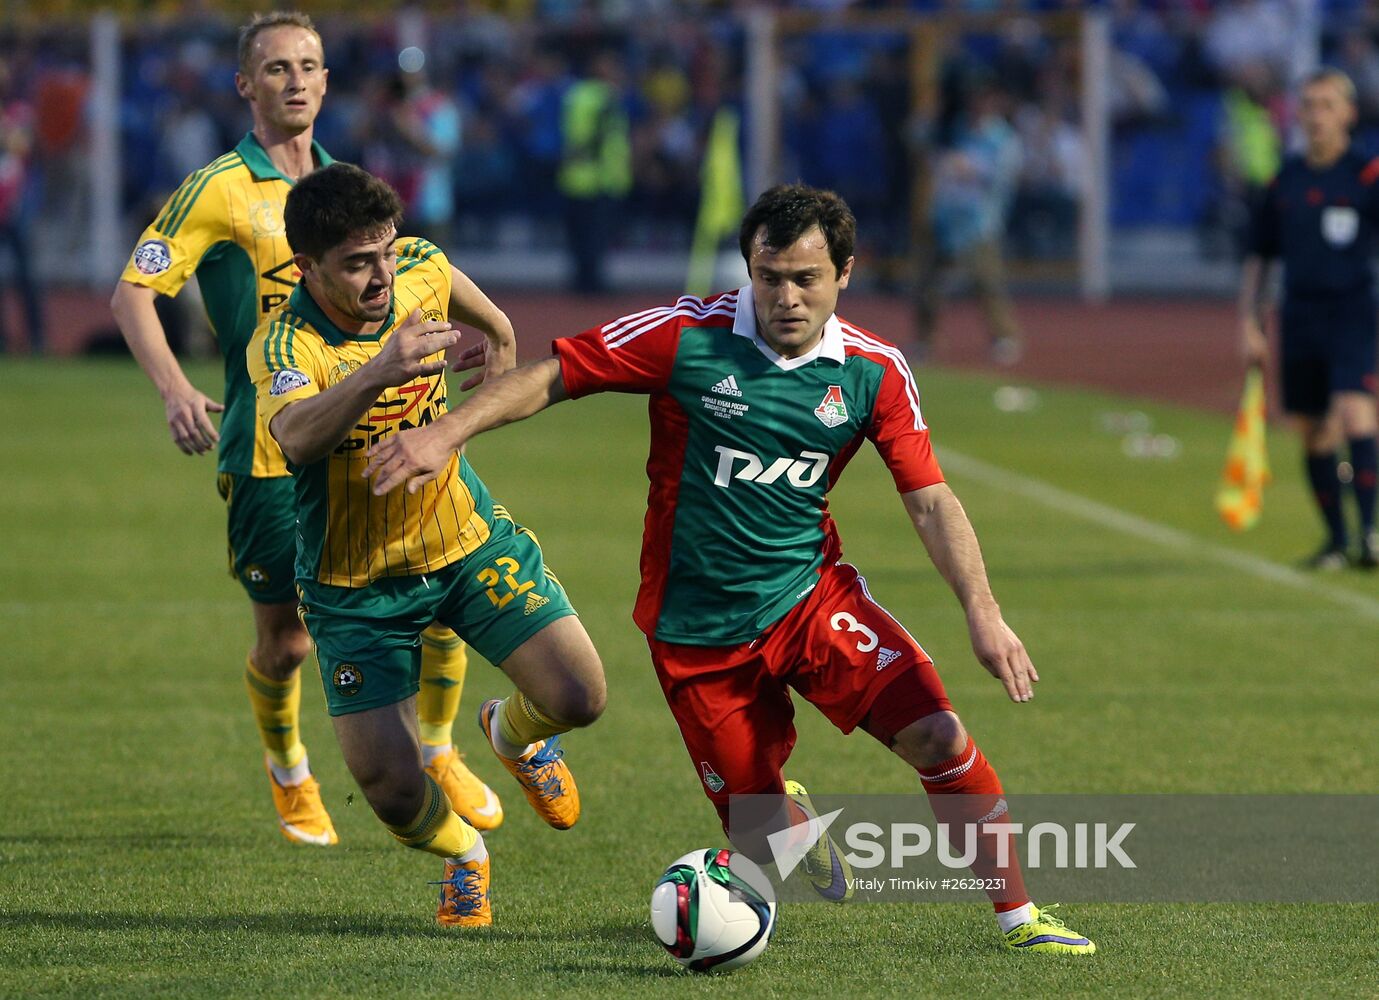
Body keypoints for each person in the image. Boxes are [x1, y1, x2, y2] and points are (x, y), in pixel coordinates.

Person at [364, 184, 1095, 954]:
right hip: (697, 633)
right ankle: (787, 817)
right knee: (765, 839)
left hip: (811, 599)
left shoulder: (873, 371)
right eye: (767, 275)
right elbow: (554, 374)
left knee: (939, 735)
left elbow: (929, 501)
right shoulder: (687, 335)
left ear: (844, 274)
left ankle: (1019, 921)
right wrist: (445, 433)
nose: (784, 297)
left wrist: (983, 613)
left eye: (804, 279)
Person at [110, 12, 501, 850]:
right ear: (245, 85)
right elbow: (131, 293)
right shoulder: (217, 187)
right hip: (270, 447)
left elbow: (410, 279)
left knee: (436, 590)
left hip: (376, 435)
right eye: (277, 67)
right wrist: (174, 385)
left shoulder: (347, 189)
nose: (296, 79)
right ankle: (289, 770)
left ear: (327, 80)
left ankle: (437, 746)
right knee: (285, 641)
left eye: (310, 65)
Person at [248, 162, 606, 926]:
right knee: (392, 790)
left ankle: (512, 736)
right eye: (356, 263)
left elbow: (499, 328)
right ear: (307, 268)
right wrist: (382, 370)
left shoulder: (419, 267)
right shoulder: (284, 347)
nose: (382, 275)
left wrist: (480, 388)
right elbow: (297, 439)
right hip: (356, 587)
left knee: (581, 696)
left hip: (464, 543)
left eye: (385, 251)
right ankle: (465, 856)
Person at [1240, 67, 1379, 570]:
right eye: (1308, 105)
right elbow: (1260, 256)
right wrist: (1251, 322)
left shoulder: (1367, 174)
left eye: (1326, 105)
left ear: (1348, 113)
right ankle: (1337, 542)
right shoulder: (1286, 179)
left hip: (1352, 309)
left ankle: (1370, 533)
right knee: (1314, 430)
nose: (1315, 115)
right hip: (1298, 314)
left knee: (1355, 411)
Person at [915, 79, 1025, 366]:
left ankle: (1004, 335)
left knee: (987, 280)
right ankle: (925, 338)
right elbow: (918, 139)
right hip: (944, 215)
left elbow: (1004, 176)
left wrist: (968, 167)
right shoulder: (951, 126)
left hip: (979, 219)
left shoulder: (1002, 138)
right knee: (928, 282)